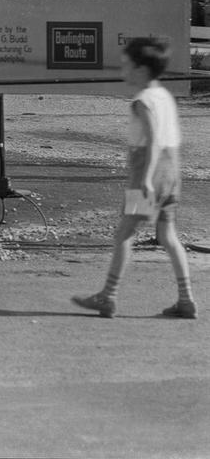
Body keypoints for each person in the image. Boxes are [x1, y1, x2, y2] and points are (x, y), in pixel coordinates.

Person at [72, 37, 197, 320]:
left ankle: (108, 295)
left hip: (147, 175)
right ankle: (186, 298)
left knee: (124, 234)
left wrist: (145, 180)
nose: (123, 70)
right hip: (172, 174)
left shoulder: (142, 101)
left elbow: (152, 141)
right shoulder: (164, 96)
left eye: (127, 65)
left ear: (141, 69)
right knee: (168, 236)